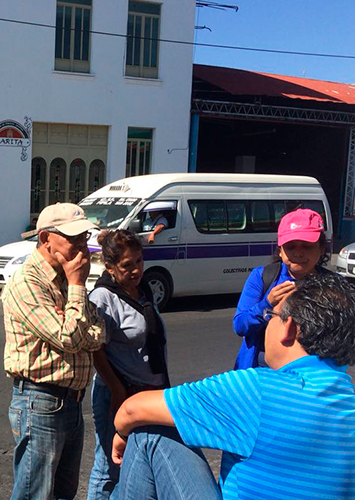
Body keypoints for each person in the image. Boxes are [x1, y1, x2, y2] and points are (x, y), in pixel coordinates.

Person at [109, 271, 355, 500]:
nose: (267, 323)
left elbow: (132, 409)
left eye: (271, 316)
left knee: (148, 431)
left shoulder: (257, 389)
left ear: (289, 328)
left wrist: (121, 433)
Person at [2, 202, 105, 500]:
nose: (82, 247)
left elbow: (100, 331)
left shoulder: (65, 279)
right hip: (41, 401)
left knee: (63, 494)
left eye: (84, 238)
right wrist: (77, 285)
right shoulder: (27, 282)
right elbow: (70, 337)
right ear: (46, 239)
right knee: (35, 493)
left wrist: (75, 295)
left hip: (71, 402)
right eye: (73, 239)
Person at [86, 229, 170, 500]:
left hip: (147, 391)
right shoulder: (103, 298)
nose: (136, 270)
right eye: (127, 265)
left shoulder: (142, 289)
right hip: (118, 393)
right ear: (109, 267)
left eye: (139, 261)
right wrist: (118, 390)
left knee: (138, 464)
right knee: (109, 467)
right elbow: (95, 350)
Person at [233, 208, 328, 370]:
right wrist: (266, 305)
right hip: (261, 371)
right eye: (290, 246)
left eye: (307, 246)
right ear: (280, 250)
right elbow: (240, 326)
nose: (298, 253)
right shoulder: (263, 277)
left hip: (311, 375)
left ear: (321, 248)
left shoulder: (332, 285)